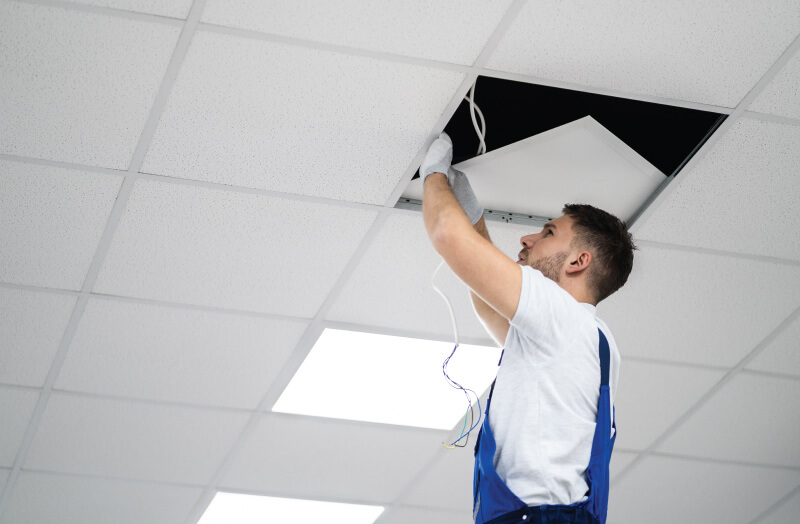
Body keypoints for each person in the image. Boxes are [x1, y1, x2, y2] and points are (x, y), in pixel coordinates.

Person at [419, 133, 636, 524]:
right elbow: (489, 300)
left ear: (578, 261)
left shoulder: (563, 318)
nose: (527, 237)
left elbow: (447, 236)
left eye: (548, 233)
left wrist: (432, 174)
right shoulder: (583, 339)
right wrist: (468, 209)